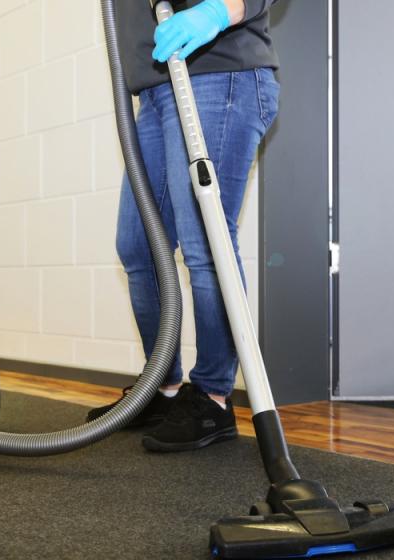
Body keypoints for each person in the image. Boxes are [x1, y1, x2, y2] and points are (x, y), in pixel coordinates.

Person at [87, 0, 280, 452]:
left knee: (204, 244)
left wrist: (215, 11)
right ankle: (162, 388)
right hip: (155, 90)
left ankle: (213, 396)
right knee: (139, 247)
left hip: (218, 72)